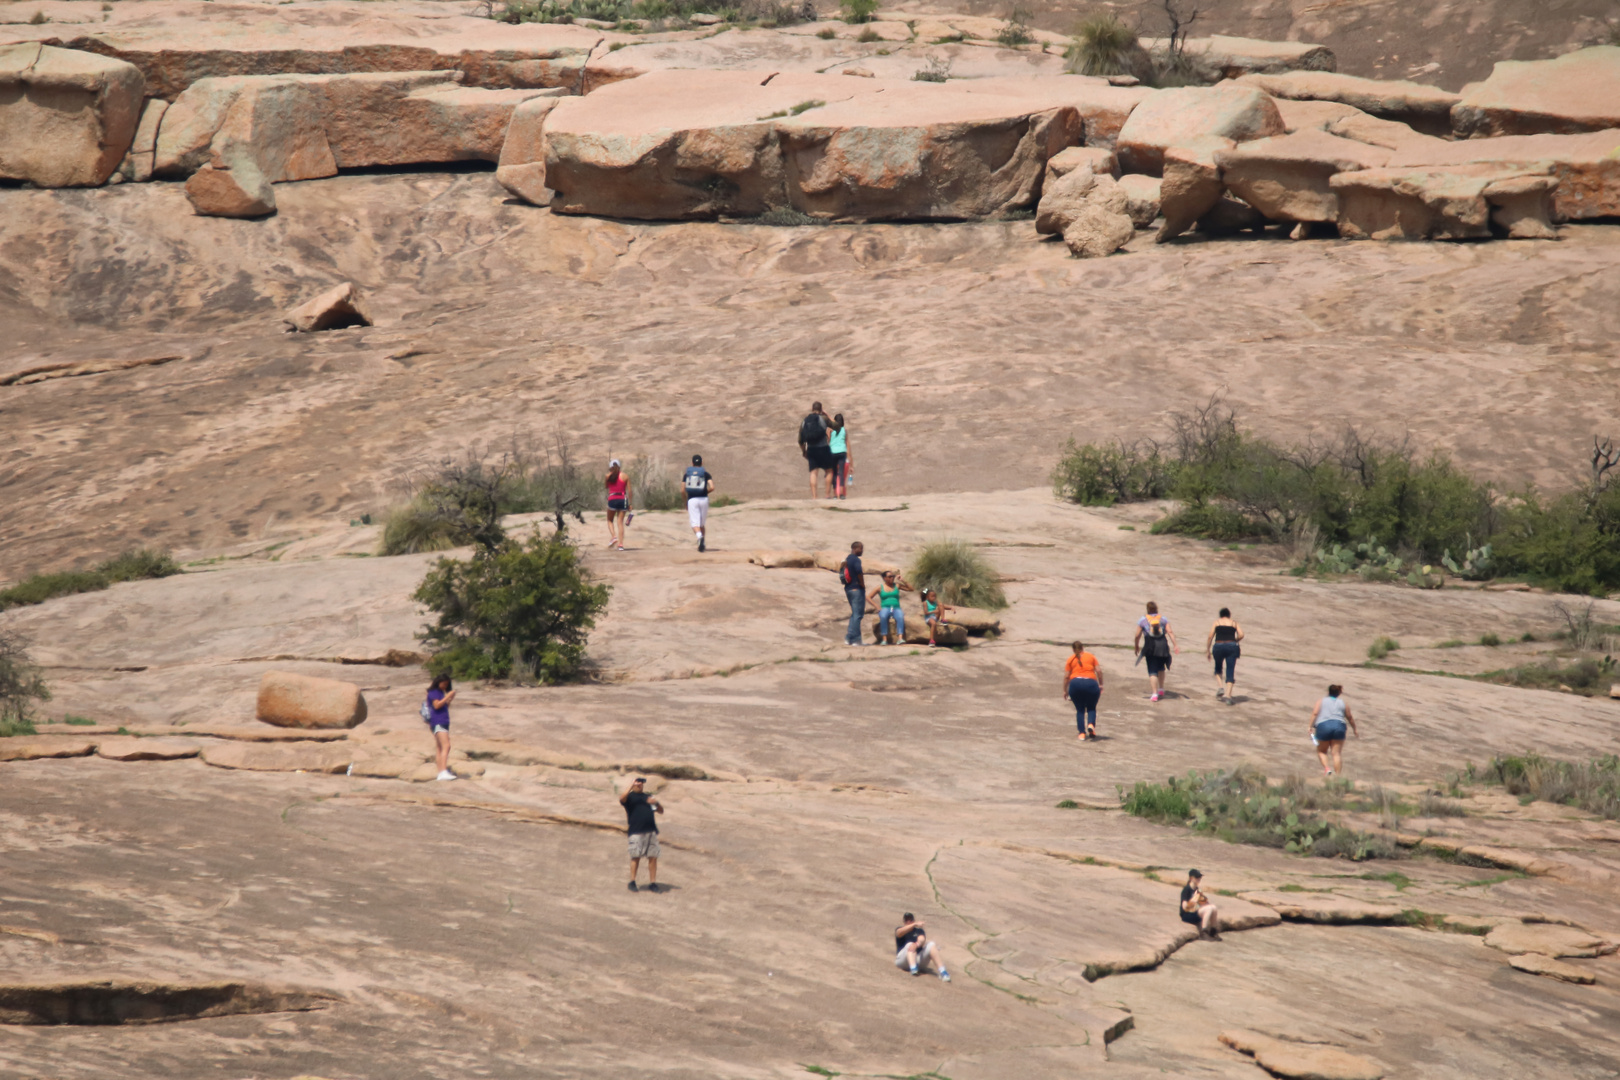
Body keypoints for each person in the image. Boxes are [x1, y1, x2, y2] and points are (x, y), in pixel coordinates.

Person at [619, 776, 665, 892]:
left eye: (641, 783)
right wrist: (631, 784)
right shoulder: (629, 797)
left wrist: (656, 802)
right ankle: (632, 881)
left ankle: (653, 883)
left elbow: (660, 811)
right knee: (635, 856)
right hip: (636, 831)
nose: (639, 784)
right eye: (637, 782)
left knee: (653, 857)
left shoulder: (648, 797)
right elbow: (621, 798)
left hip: (651, 831)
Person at [1309, 684, 1359, 776]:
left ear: (1328, 692)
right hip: (1339, 726)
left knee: (1321, 751)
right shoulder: (1343, 703)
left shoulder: (1321, 701)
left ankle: (1327, 769)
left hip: (1323, 726)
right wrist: (1354, 729)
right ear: (1339, 693)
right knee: (1336, 754)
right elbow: (1350, 717)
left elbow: (1315, 713)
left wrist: (1310, 726)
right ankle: (1338, 777)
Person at [1133, 601, 1178, 701]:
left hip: (1150, 646)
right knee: (1161, 667)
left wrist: (1136, 646)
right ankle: (1161, 689)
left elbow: (1137, 635)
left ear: (1147, 609)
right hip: (1162, 645)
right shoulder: (1163, 619)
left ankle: (1154, 694)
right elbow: (1170, 632)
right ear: (1156, 608)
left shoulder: (1143, 619)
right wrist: (1175, 645)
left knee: (1152, 670)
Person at [1063, 641, 1104, 741]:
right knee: (1091, 707)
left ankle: (1082, 733)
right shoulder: (1091, 656)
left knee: (1080, 709)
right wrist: (1101, 684)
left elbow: (1066, 677)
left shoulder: (1070, 659)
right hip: (1091, 684)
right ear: (1083, 648)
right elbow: (1099, 671)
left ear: (1073, 650)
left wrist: (1065, 690)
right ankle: (1091, 725)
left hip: (1075, 684)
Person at [894, 913, 951, 981]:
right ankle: (913, 968)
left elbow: (922, 939)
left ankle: (943, 972)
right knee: (909, 944)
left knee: (931, 944)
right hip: (903, 961)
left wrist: (917, 944)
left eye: (910, 920)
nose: (908, 921)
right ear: (904, 922)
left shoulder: (919, 931)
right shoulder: (900, 929)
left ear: (913, 920)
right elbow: (899, 933)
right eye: (906, 920)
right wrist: (914, 924)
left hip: (917, 959)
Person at [1205, 607, 1244, 704]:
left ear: (1221, 615)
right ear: (1229, 615)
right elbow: (1241, 634)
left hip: (1218, 646)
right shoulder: (1234, 623)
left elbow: (1210, 636)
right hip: (1231, 646)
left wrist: (1208, 650)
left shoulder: (1217, 622)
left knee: (1218, 668)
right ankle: (1228, 696)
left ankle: (1221, 687)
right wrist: (1235, 640)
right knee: (1230, 670)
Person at [422, 675, 456, 782]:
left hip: (442, 721)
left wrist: (449, 699)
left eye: (447, 684)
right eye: (444, 683)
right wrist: (447, 696)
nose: (445, 686)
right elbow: (436, 705)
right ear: (438, 682)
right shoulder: (434, 692)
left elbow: (443, 706)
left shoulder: (440, 693)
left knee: (440, 748)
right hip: (438, 722)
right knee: (447, 745)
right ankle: (443, 771)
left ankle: (441, 772)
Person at [798, 401, 834, 499]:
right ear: (821, 409)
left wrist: (804, 451)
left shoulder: (805, 421)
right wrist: (827, 415)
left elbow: (800, 440)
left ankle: (814, 496)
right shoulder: (823, 418)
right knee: (829, 471)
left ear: (812, 409)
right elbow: (836, 426)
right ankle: (827, 495)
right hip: (823, 448)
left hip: (811, 449)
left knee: (813, 472)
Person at [867, 569, 913, 645]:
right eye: (890, 576)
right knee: (883, 616)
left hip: (896, 607)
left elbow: (911, 589)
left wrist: (903, 581)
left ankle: (900, 638)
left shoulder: (897, 585)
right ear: (885, 578)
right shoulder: (880, 587)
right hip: (885, 607)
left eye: (893, 576)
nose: (892, 578)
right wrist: (877, 606)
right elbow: (868, 597)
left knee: (900, 617)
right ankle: (884, 639)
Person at [683, 453, 713, 552]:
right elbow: (712, 487)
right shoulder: (705, 474)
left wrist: (685, 501)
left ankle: (700, 537)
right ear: (702, 463)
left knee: (694, 523)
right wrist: (705, 492)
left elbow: (682, 490)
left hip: (692, 499)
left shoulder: (687, 474)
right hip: (704, 499)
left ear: (692, 463)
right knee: (701, 524)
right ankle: (702, 543)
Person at [1180, 870, 1221, 940]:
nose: (1199, 878)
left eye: (1199, 877)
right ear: (1191, 878)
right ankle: (1203, 932)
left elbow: (1205, 902)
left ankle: (1213, 931)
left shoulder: (1197, 889)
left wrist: (1202, 899)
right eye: (1197, 877)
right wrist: (1195, 899)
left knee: (1213, 907)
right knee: (1209, 909)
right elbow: (1185, 908)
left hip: (1195, 912)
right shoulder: (1186, 890)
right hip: (1187, 915)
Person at [841, 541, 867, 646]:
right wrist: (862, 585)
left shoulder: (847, 559)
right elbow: (859, 572)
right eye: (861, 548)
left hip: (848, 589)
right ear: (855, 548)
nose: (862, 551)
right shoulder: (856, 560)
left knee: (854, 614)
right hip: (856, 589)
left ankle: (849, 638)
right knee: (858, 615)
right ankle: (856, 640)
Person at [604, 459, 631, 551]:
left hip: (612, 498)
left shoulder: (608, 476)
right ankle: (621, 544)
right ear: (619, 467)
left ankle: (614, 536)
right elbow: (630, 491)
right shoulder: (625, 476)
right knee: (620, 522)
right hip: (623, 499)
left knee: (609, 520)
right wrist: (630, 503)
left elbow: (606, 487)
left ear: (610, 467)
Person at [829, 413, 851, 500]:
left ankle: (835, 494)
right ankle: (841, 494)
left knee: (834, 473)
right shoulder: (844, 431)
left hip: (832, 453)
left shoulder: (831, 431)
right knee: (841, 473)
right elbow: (846, 443)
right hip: (842, 452)